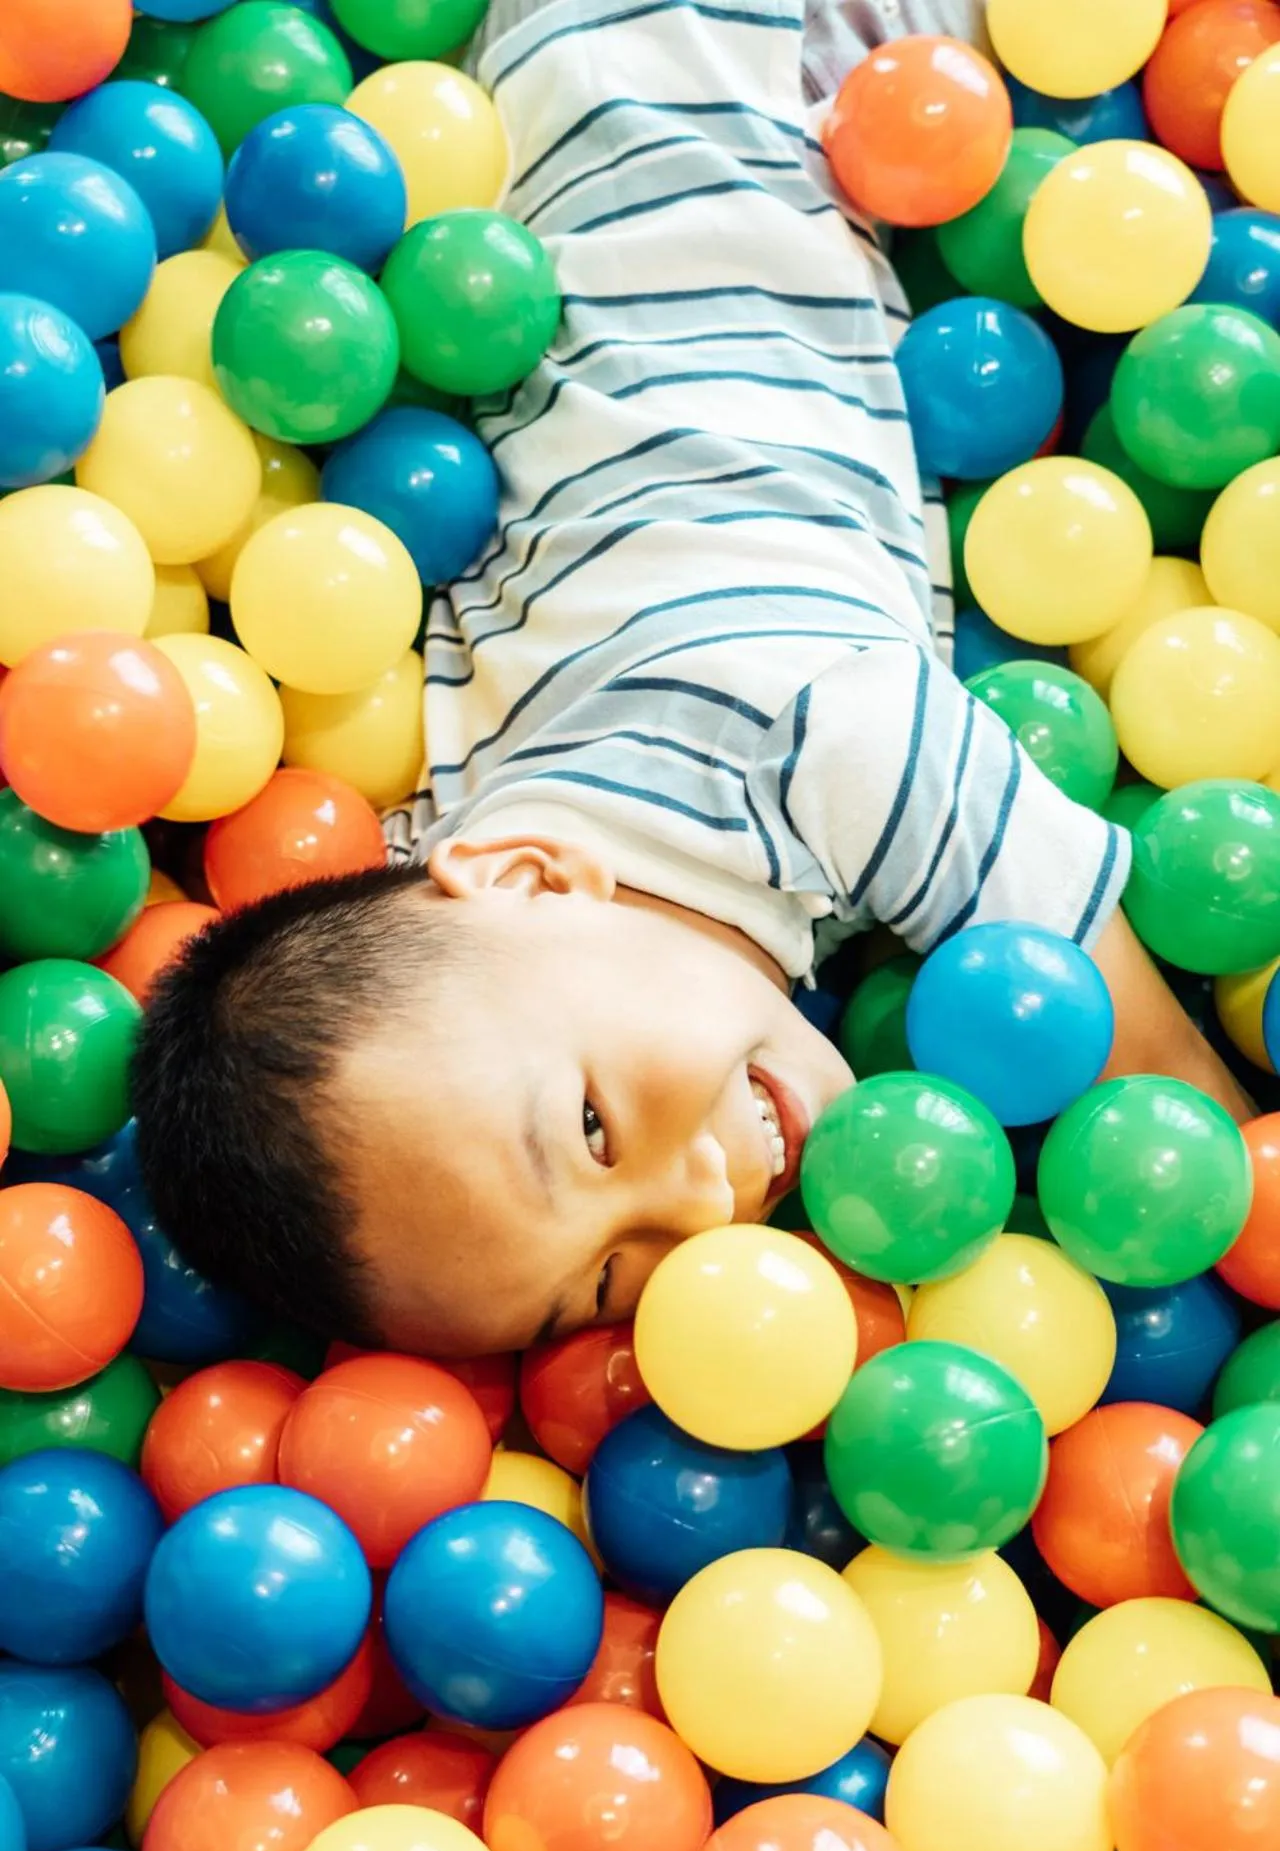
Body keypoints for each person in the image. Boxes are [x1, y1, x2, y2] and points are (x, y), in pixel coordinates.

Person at [132, 0, 1249, 1358]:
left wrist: (1234, 1206)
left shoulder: (800, 736)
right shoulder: (468, 855)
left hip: (723, 62)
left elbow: (1163, 1097)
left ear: (531, 877)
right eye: (606, 1284)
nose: (702, 1208)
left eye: (595, 1133)